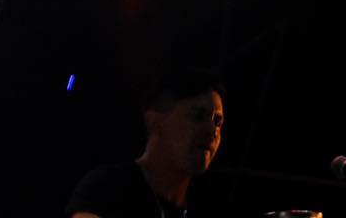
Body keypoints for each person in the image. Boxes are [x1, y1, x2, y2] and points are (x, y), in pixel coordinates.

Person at [66, 72, 226, 218]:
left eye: (217, 121)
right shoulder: (108, 187)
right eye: (197, 115)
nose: (212, 130)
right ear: (155, 121)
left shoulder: (210, 206)